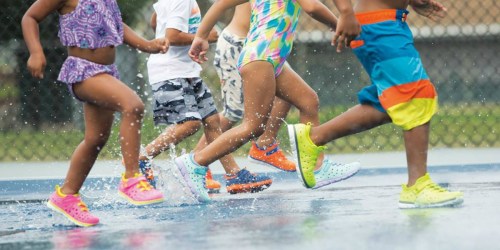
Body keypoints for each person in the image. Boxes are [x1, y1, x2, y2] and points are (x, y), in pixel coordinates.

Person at [177, 0, 362, 202]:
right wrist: (341, 24)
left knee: (308, 101)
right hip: (261, 57)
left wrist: (201, 37)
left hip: (270, 58)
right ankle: (195, 162)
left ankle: (316, 168)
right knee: (253, 126)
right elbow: (312, 7)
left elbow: (220, 4)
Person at [287, 0, 464, 208]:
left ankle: (313, 138)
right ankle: (418, 186)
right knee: (415, 95)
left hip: (388, 22)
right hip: (378, 25)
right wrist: (345, 11)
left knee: (393, 100)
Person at [22, 0, 167, 227]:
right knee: (133, 106)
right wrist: (35, 51)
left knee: (96, 139)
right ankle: (131, 178)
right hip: (83, 70)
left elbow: (117, 24)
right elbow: (30, 17)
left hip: (106, 71)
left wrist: (146, 44)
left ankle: (66, 195)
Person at [142, 0, 272, 195]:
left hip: (187, 71)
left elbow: (156, 23)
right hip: (171, 72)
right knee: (190, 124)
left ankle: (233, 174)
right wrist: (204, 36)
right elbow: (172, 36)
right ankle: (142, 159)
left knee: (212, 121)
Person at [194, 3, 296, 174]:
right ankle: (197, 160)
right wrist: (201, 36)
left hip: (266, 47)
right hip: (238, 45)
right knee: (232, 112)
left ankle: (265, 146)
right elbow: (220, 5)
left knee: (290, 93)